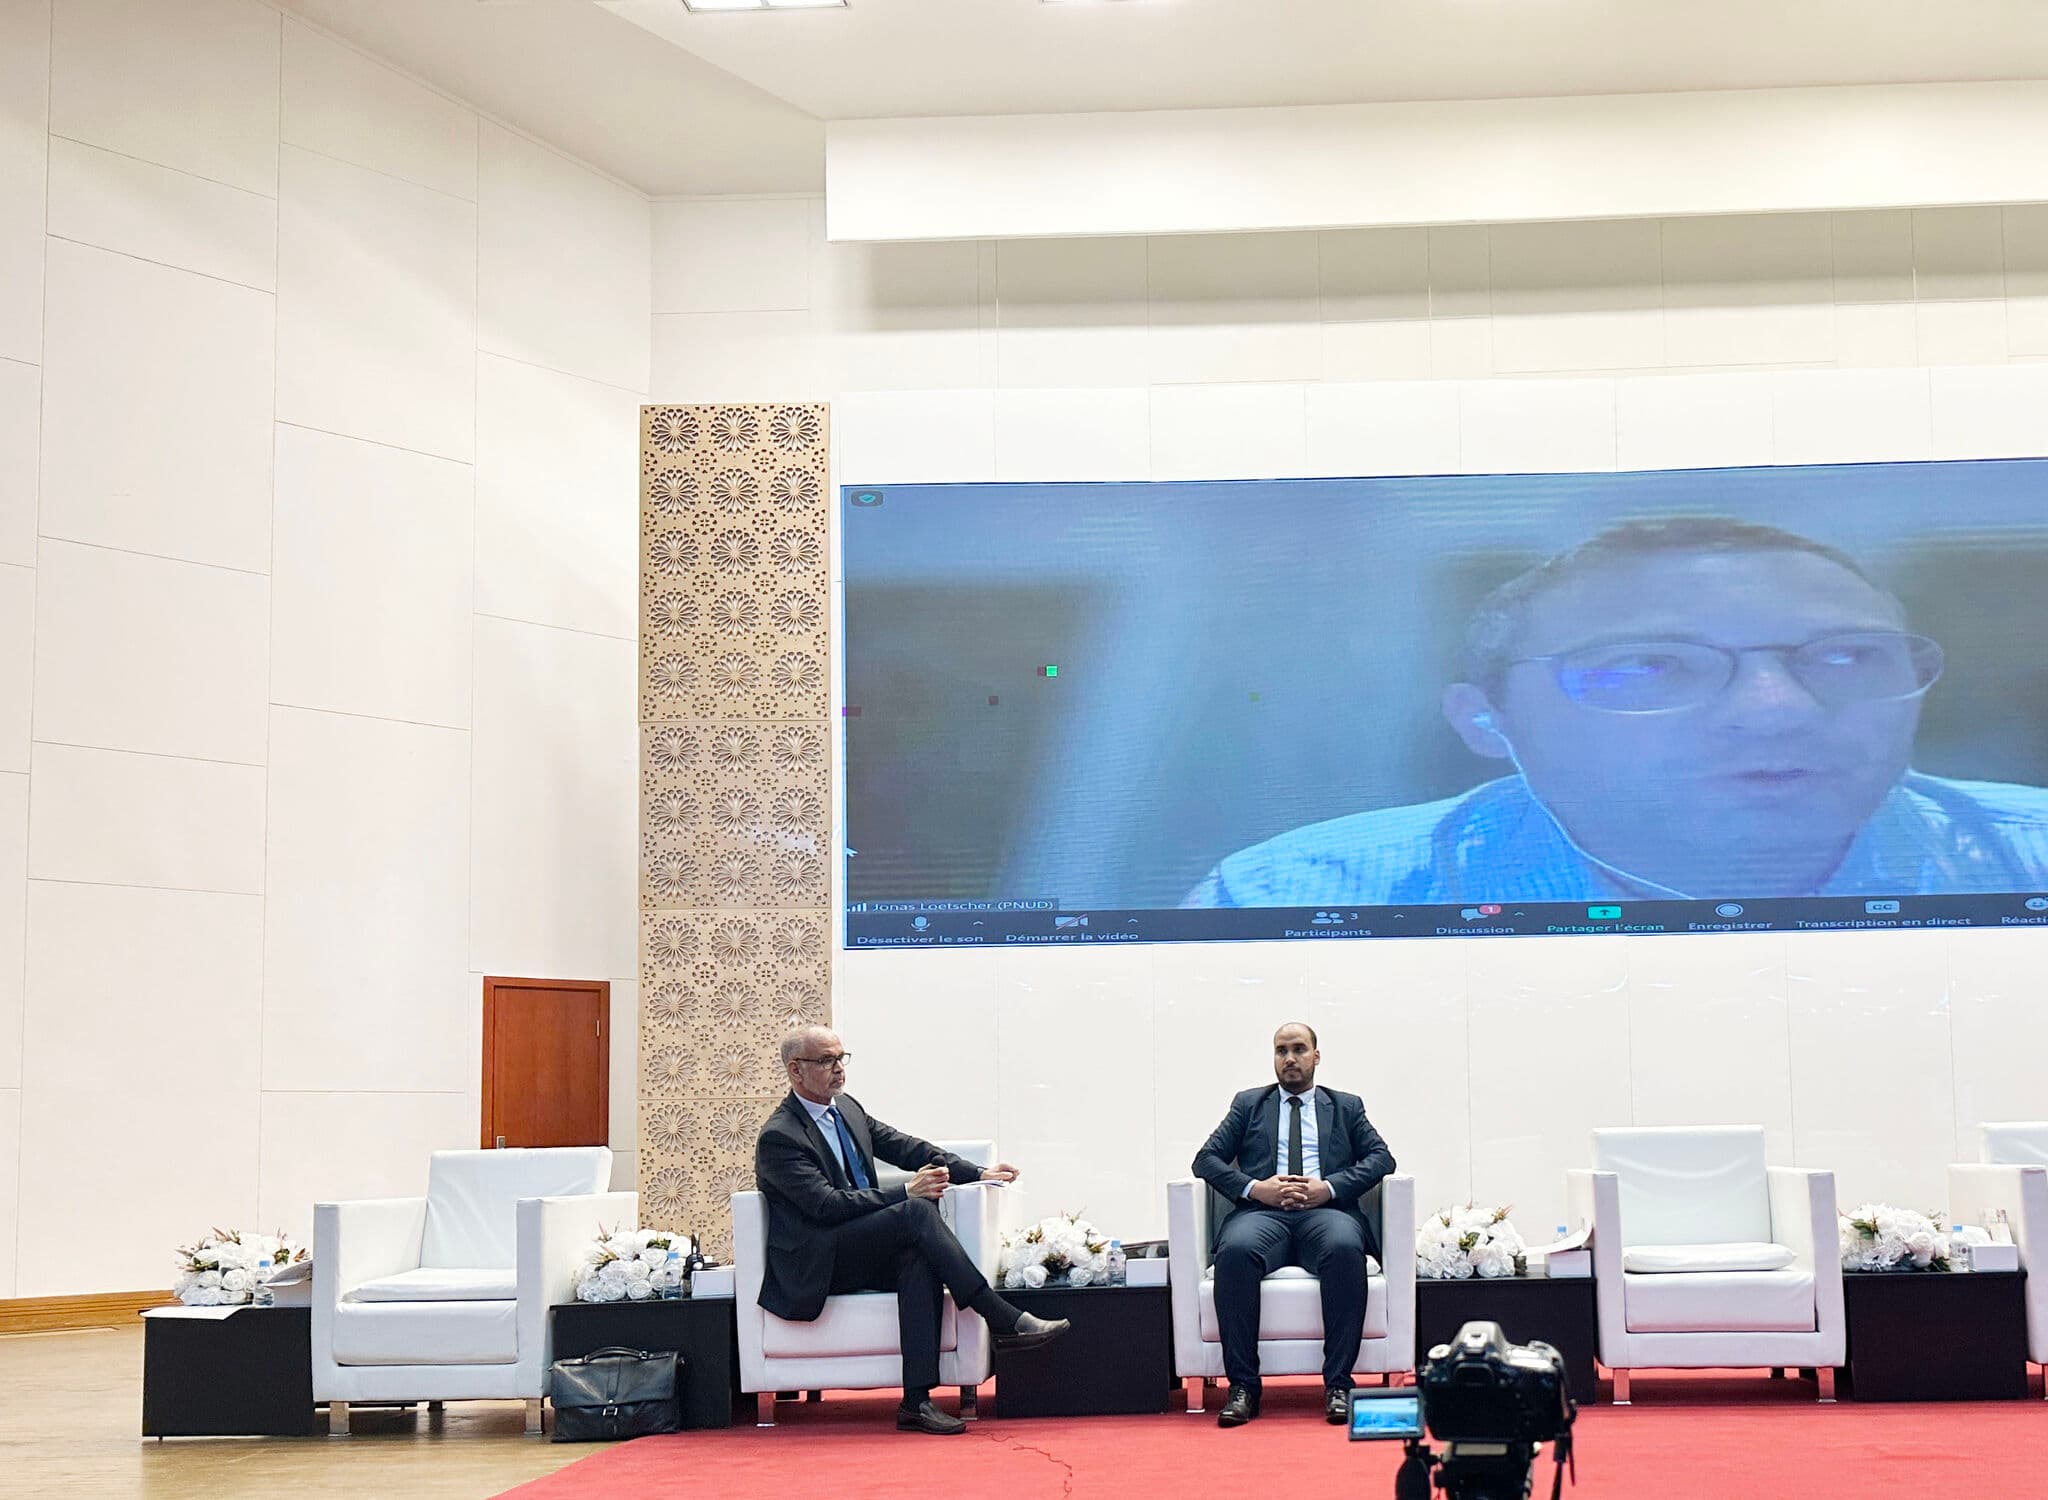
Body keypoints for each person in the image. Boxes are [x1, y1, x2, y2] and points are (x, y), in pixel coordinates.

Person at [1184, 516, 2048, 906]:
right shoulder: (1300, 896)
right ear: (1488, 721)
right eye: (1651, 667)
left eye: (1846, 657)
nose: (1777, 711)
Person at [754, 1026, 1070, 1434]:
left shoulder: (846, 1108)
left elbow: (905, 1147)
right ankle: (1000, 1317)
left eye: (841, 1057)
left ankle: (916, 1402)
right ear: (796, 1071)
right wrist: (905, 1191)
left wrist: (975, 1172)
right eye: (826, 1060)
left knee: (918, 1256)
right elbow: (826, 1205)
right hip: (818, 1260)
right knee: (916, 1211)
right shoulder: (780, 1137)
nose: (838, 1069)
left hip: (859, 1245)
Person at [1193, 1022, 1396, 1427]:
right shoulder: (1248, 1104)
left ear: (1316, 1056)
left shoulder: (1346, 1106)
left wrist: (1331, 1188)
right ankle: (1243, 1388)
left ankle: (1339, 1384)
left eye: (1299, 1049)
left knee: (1343, 1249)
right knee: (1233, 1252)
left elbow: (1381, 1158)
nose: (1289, 1058)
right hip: (1262, 1215)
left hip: (1326, 1214)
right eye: (1281, 1050)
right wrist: (1255, 1188)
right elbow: (1205, 1160)